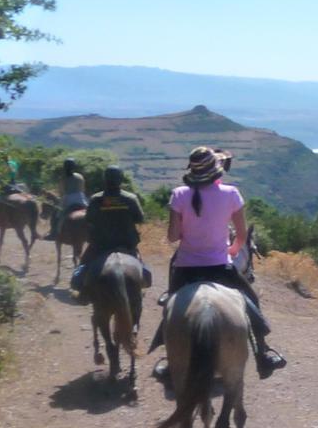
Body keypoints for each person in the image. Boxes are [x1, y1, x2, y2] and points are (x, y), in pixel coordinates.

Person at [149, 146, 286, 380]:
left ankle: (169, 359)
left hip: (185, 267)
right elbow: (241, 235)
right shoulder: (231, 193)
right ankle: (263, 353)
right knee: (250, 299)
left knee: (171, 305)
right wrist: (230, 251)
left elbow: (172, 236)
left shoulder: (179, 194)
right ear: (216, 170)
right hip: (220, 266)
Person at [70, 165, 152, 304]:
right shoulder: (130, 198)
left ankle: (81, 292)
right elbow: (140, 219)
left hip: (100, 246)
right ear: (121, 180)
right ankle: (142, 285)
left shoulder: (96, 199)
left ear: (105, 179)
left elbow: (89, 219)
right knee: (141, 266)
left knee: (83, 266)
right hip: (126, 244)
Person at [45, 157, 88, 240]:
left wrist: (60, 198)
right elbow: (83, 189)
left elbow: (62, 191)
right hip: (81, 198)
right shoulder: (80, 176)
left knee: (56, 215)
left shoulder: (63, 177)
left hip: (68, 198)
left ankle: (54, 232)